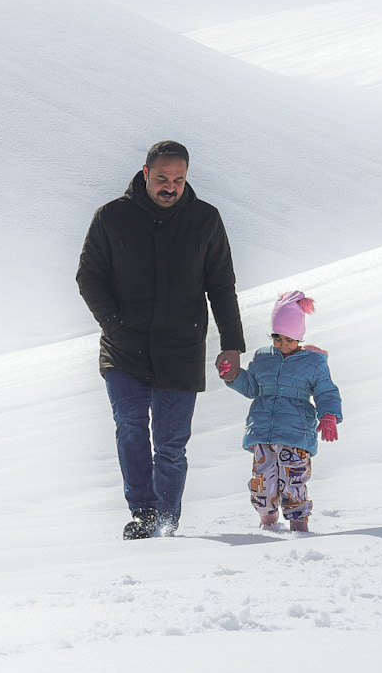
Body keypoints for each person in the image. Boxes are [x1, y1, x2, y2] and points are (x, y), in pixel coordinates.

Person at [76, 141, 246, 540]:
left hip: (180, 348)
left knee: (170, 444)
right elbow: (89, 276)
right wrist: (114, 324)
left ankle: (167, 522)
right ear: (145, 173)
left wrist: (232, 344)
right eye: (162, 179)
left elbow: (222, 286)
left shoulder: (205, 220)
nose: (170, 187)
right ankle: (144, 513)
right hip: (124, 348)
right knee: (131, 426)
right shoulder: (112, 217)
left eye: (178, 180)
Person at [217, 290, 343, 532]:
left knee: (294, 481)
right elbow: (252, 387)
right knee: (262, 483)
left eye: (289, 339)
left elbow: (326, 391)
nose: (283, 344)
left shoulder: (313, 363)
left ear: (299, 336)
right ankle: (268, 519)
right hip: (262, 432)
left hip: (296, 433)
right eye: (277, 338)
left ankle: (299, 524)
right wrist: (233, 376)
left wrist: (329, 415)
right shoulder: (263, 357)